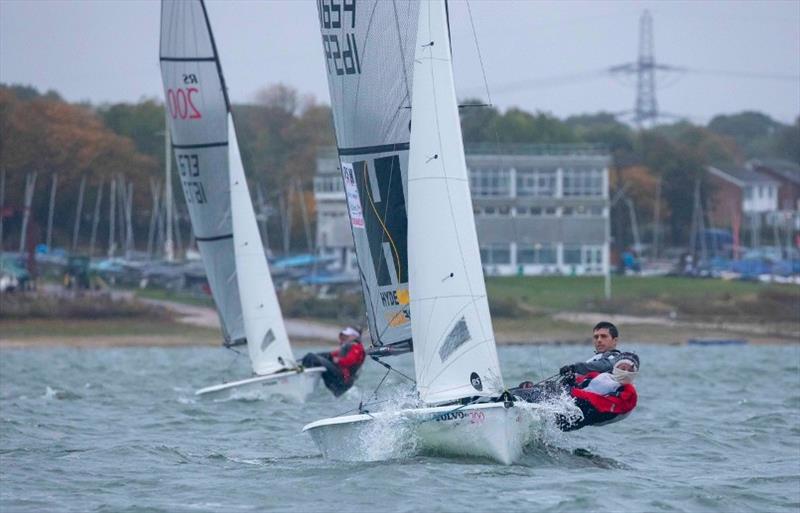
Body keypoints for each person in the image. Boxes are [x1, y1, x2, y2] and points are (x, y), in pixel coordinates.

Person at [556, 352, 639, 431]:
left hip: (578, 417)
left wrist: (570, 391)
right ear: (616, 367)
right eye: (623, 368)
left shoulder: (629, 394)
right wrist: (571, 379)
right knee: (552, 388)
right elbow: (583, 384)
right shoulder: (604, 377)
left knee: (554, 394)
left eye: (630, 371)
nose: (625, 372)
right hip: (572, 405)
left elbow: (599, 401)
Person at [301, 326, 365, 397]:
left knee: (311, 357)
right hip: (341, 379)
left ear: (354, 336)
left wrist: (338, 360)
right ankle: (303, 374)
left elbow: (350, 361)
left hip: (343, 380)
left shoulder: (357, 348)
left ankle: (302, 382)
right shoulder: (349, 346)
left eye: (347, 335)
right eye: (344, 335)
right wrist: (319, 355)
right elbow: (331, 354)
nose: (344, 337)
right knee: (312, 356)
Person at [559, 321, 623, 376]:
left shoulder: (616, 359)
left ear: (615, 341)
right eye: (596, 337)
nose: (599, 340)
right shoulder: (594, 359)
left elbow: (603, 365)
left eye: (603, 336)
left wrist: (574, 367)